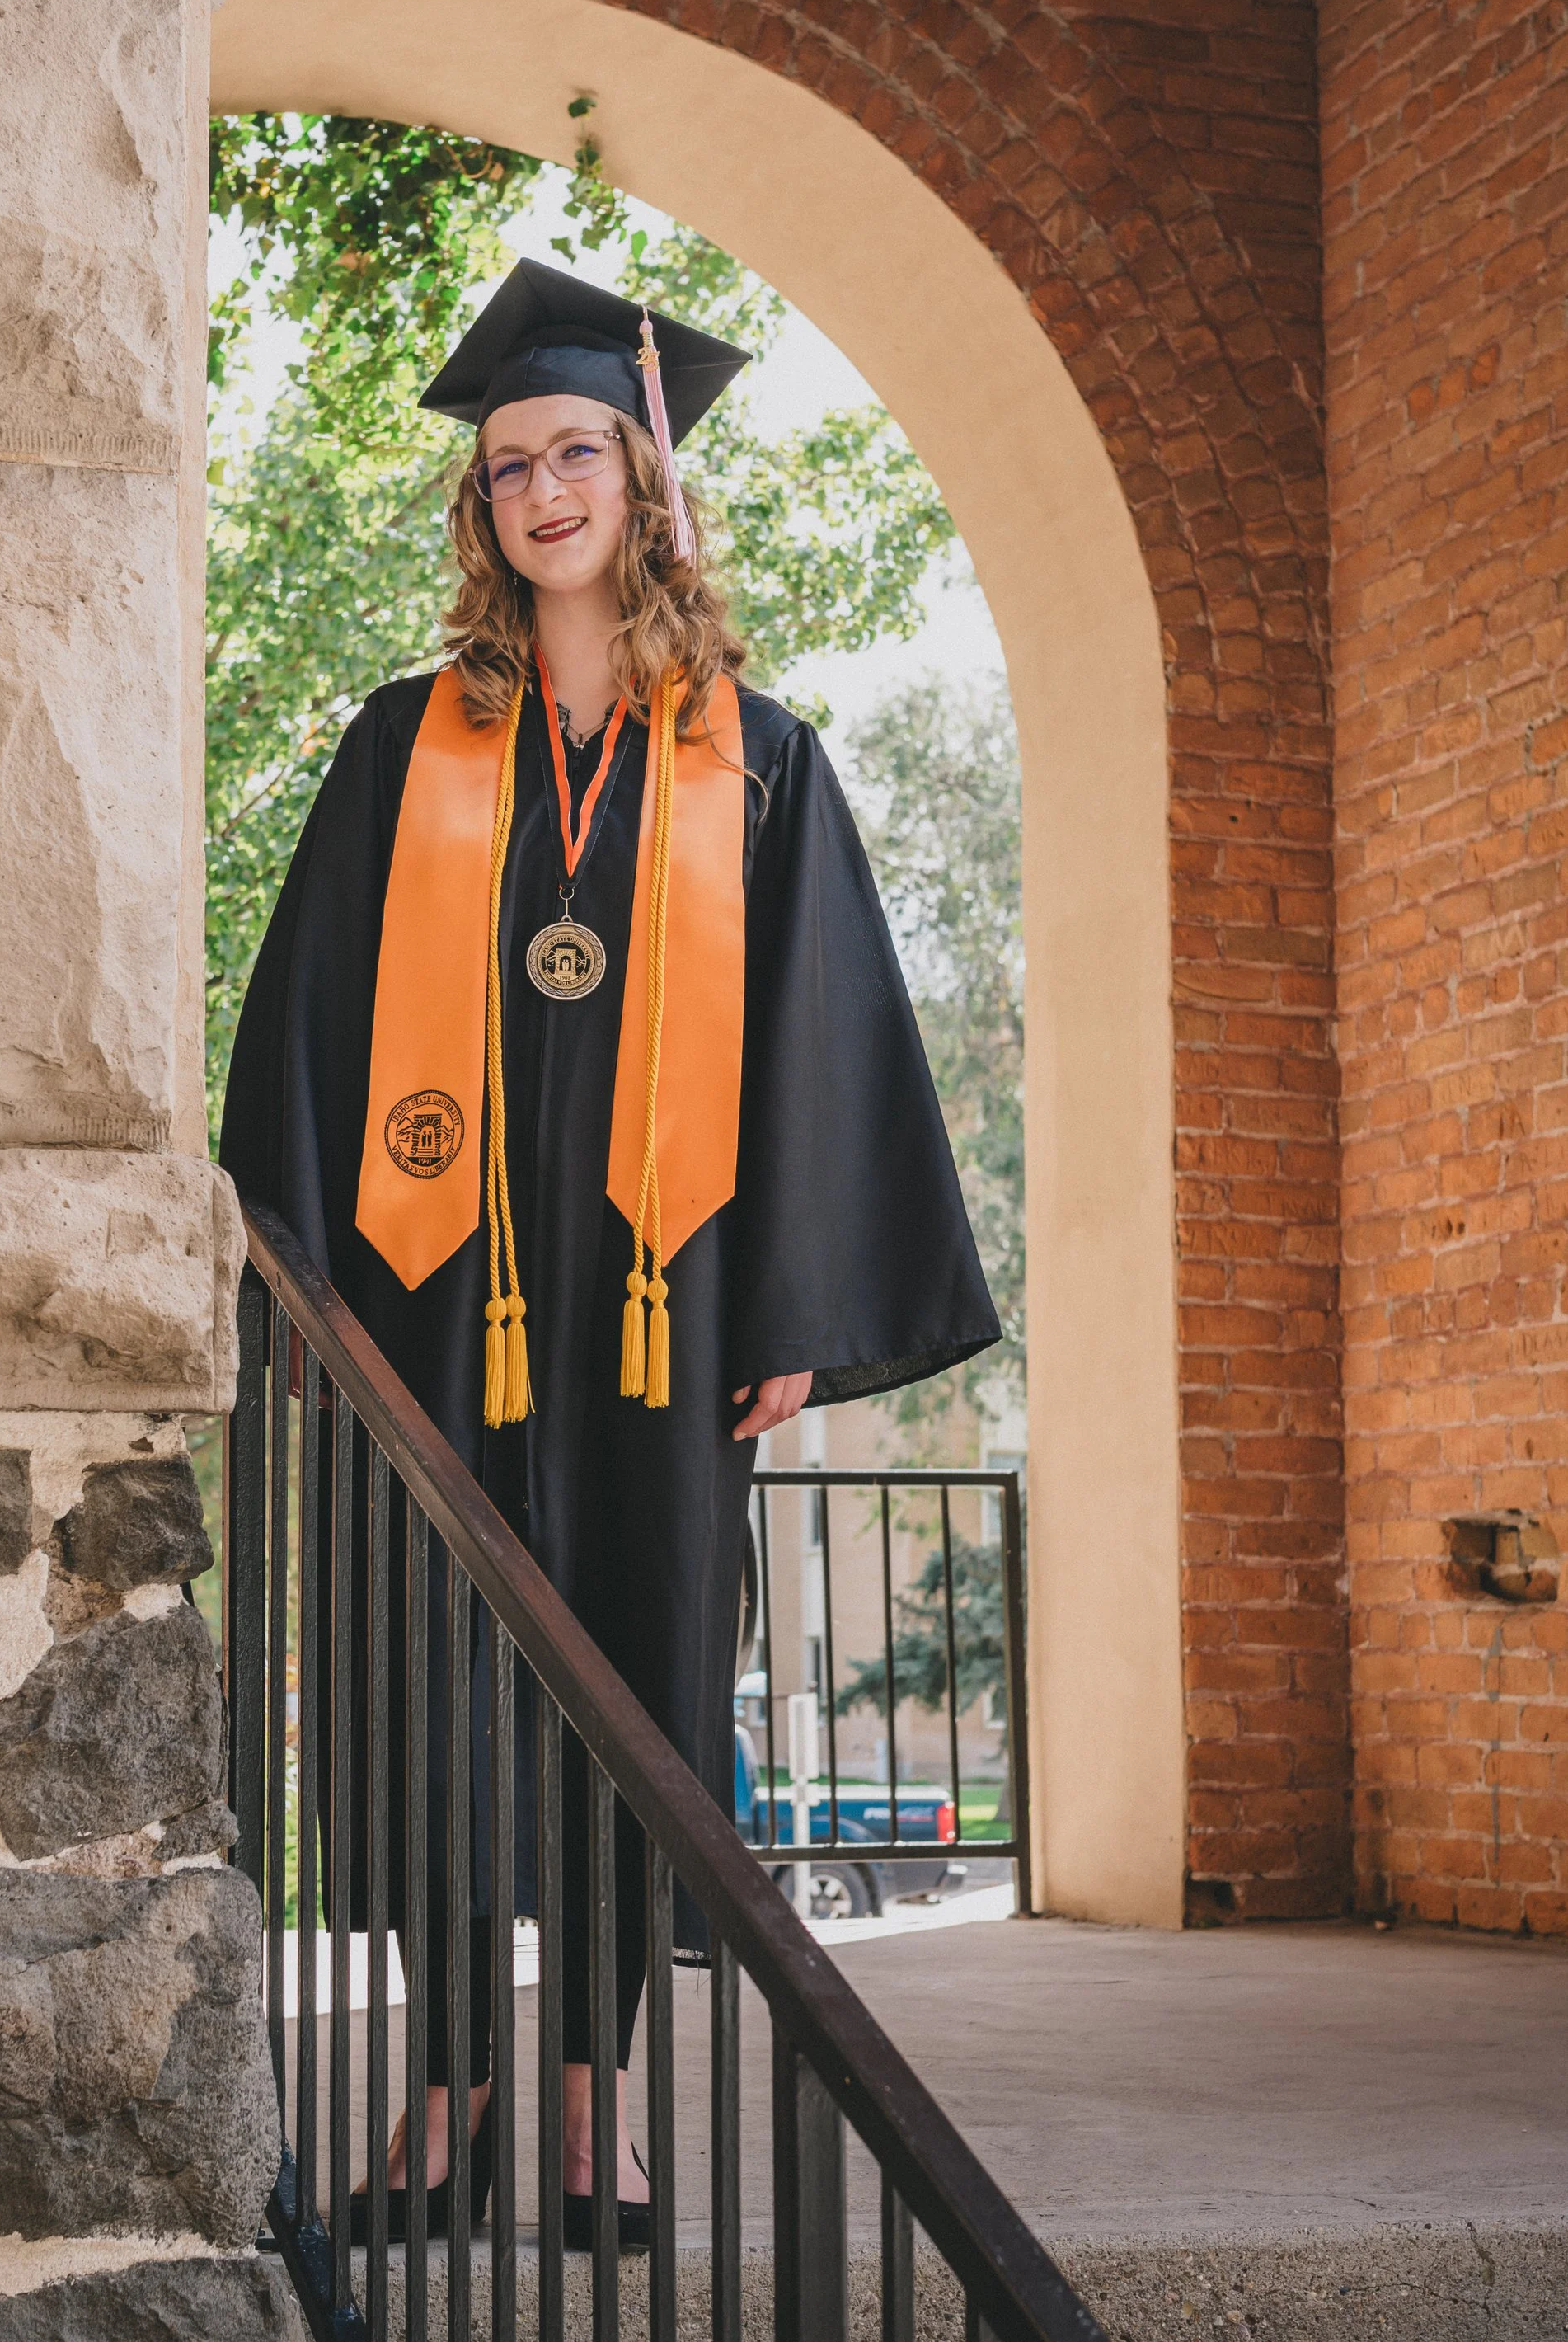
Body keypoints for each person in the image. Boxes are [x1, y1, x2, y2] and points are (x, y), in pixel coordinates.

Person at [220, 259, 998, 2250]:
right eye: (506, 465)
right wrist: (306, 1284)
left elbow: (823, 1041)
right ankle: (444, 2087)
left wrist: (797, 1317)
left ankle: (591, 2105)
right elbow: (303, 1020)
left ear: (647, 481)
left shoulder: (759, 761)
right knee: (420, 1666)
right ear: (479, 510)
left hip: (657, 1315)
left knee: (635, 1679)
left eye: (576, 449)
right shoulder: (408, 750)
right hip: (428, 1301)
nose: (541, 488)